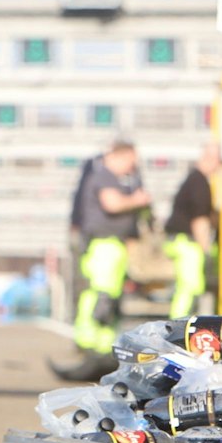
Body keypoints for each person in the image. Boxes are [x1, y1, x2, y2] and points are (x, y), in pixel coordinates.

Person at [71, 137, 151, 352]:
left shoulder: (116, 179)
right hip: (103, 245)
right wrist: (138, 200)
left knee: (109, 297)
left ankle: (103, 346)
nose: (133, 166)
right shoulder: (104, 176)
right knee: (102, 295)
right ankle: (90, 344)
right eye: (130, 160)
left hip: (113, 245)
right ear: (118, 156)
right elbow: (112, 203)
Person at [163, 142, 221, 318]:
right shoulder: (200, 183)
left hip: (180, 241)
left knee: (187, 287)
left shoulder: (194, 179)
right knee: (190, 287)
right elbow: (199, 220)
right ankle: (179, 326)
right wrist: (206, 251)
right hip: (187, 243)